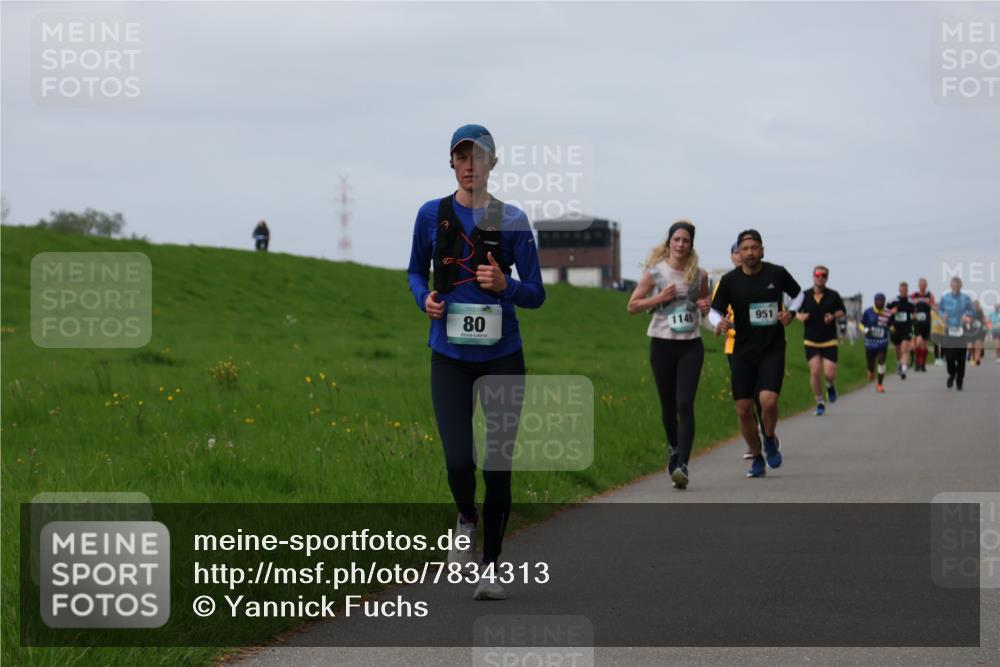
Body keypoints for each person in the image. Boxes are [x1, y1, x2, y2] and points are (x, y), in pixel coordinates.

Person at [406, 124, 545, 600]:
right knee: (458, 460)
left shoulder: (512, 220)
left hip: (503, 356)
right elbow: (412, 272)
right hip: (449, 356)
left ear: (492, 163)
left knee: (497, 465)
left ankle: (491, 567)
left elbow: (537, 294)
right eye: (461, 157)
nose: (470, 165)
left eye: (479, 157)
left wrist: (507, 287)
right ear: (451, 163)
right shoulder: (431, 215)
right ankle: (466, 517)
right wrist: (424, 298)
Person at [709, 229, 803, 478]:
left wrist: (791, 313)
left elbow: (799, 294)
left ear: (762, 250)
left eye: (755, 247)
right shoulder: (730, 280)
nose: (750, 252)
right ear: (738, 253)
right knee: (743, 408)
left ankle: (769, 438)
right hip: (742, 351)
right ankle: (756, 454)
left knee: (768, 400)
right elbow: (714, 310)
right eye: (745, 248)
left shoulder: (777, 273)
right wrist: (718, 323)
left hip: (772, 348)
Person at [628, 221, 711, 490]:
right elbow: (633, 306)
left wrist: (706, 306)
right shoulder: (655, 274)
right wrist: (659, 297)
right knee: (668, 406)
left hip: (691, 345)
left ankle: (683, 466)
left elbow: (706, 310)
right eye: (676, 239)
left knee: (685, 404)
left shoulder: (700, 275)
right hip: (662, 344)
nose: (680, 244)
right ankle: (673, 448)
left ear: (691, 245)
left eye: (685, 240)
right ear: (669, 243)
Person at [712, 241, 763, 460]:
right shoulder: (726, 282)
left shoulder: (759, 279)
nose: (740, 256)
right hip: (734, 345)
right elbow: (715, 311)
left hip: (761, 343)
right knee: (745, 397)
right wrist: (718, 322)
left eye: (742, 251)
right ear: (733, 256)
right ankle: (755, 441)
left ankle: (767, 431)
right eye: (735, 252)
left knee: (762, 394)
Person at [796, 265, 846, 416]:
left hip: (829, 339)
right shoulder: (804, 295)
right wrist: (800, 317)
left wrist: (833, 316)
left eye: (823, 275)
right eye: (818, 274)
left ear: (827, 278)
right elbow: (794, 311)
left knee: (829, 373)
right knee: (815, 371)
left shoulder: (833, 295)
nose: (820, 277)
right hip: (811, 340)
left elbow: (842, 311)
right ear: (813, 276)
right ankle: (819, 402)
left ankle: (830, 385)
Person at [936, 276, 975, 390]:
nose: (955, 287)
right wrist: (943, 315)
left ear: (960, 286)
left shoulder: (966, 298)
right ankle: (952, 374)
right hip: (949, 330)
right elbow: (940, 310)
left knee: (961, 358)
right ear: (950, 286)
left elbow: (972, 312)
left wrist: (966, 316)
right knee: (949, 357)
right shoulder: (945, 298)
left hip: (961, 330)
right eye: (953, 285)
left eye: (957, 286)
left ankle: (960, 380)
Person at [859, 293, 893, 393]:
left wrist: (892, 329)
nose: (880, 302)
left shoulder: (888, 313)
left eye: (882, 300)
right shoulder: (868, 312)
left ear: (884, 301)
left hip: (882, 342)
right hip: (870, 342)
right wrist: (865, 330)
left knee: (881, 361)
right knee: (870, 363)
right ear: (874, 301)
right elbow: (861, 324)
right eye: (878, 300)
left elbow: (891, 324)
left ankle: (880, 384)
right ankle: (871, 371)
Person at [887, 282, 915, 379]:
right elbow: (885, 313)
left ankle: (903, 370)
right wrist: (891, 312)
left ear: (907, 291)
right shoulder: (892, 301)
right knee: (898, 350)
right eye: (901, 290)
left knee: (905, 349)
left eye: (905, 290)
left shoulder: (911, 302)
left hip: (906, 328)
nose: (903, 292)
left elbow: (915, 313)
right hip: (895, 329)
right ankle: (899, 363)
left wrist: (914, 317)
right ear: (899, 290)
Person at [909, 278, 935, 372]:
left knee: (924, 345)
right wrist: (913, 311)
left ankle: (922, 364)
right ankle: (917, 362)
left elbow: (934, 307)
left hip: (926, 322)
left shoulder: (929, 295)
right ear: (919, 285)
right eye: (921, 284)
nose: (922, 286)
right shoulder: (914, 295)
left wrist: (930, 304)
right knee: (918, 342)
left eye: (924, 284)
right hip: (917, 322)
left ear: (926, 285)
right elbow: (908, 306)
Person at [969, 300, 988, 366]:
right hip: (971, 332)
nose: (975, 307)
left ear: (978, 306)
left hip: (980, 331)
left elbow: (984, 321)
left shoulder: (980, 312)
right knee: (971, 347)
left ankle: (977, 360)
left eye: (976, 306)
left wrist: (985, 326)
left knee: (977, 346)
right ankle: (973, 358)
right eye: (974, 306)